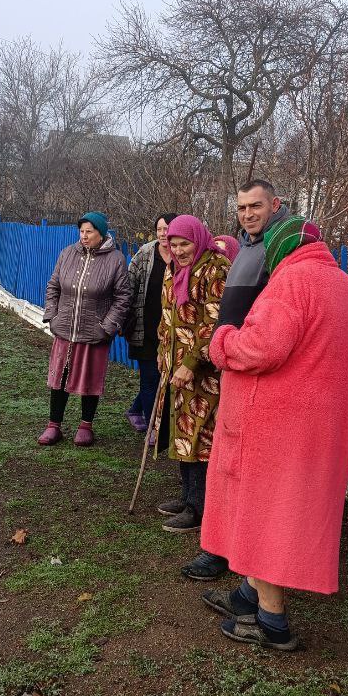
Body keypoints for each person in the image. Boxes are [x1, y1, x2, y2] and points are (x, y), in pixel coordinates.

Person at [199, 217, 348, 650]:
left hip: (279, 426)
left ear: (280, 249)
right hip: (317, 423)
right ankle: (247, 594)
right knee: (284, 511)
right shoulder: (342, 283)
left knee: (268, 516)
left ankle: (271, 622)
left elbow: (261, 347)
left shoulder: (292, 282)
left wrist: (222, 340)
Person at [180, 179, 289, 580]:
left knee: (243, 470)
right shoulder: (247, 246)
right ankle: (223, 547)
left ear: (275, 204)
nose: (248, 214)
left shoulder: (279, 249)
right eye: (242, 207)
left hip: (258, 371)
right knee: (227, 466)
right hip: (234, 368)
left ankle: (239, 556)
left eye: (256, 206)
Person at [152, 215, 230, 533]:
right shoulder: (177, 270)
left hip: (202, 372)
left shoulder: (216, 268)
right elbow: (167, 318)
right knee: (181, 431)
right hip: (176, 367)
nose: (180, 249)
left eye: (186, 243)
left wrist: (191, 364)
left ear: (198, 240)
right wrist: (162, 353)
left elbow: (214, 323)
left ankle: (199, 508)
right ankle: (187, 497)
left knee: (199, 434)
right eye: (174, 243)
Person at [38, 212, 131, 447]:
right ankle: (53, 425)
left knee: (90, 378)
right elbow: (53, 286)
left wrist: (106, 327)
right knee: (60, 376)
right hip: (65, 328)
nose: (84, 236)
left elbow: (123, 297)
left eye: (89, 232)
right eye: (81, 231)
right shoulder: (68, 253)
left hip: (95, 331)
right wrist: (52, 316)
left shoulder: (115, 259)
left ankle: (85, 426)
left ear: (101, 233)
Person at [124, 214, 176, 433]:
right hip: (144, 327)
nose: (163, 234)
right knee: (150, 378)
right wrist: (124, 317)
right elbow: (128, 285)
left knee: (165, 376)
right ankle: (153, 427)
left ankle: (135, 410)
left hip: (171, 328)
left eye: (167, 229)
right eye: (159, 229)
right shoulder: (145, 253)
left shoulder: (182, 253)